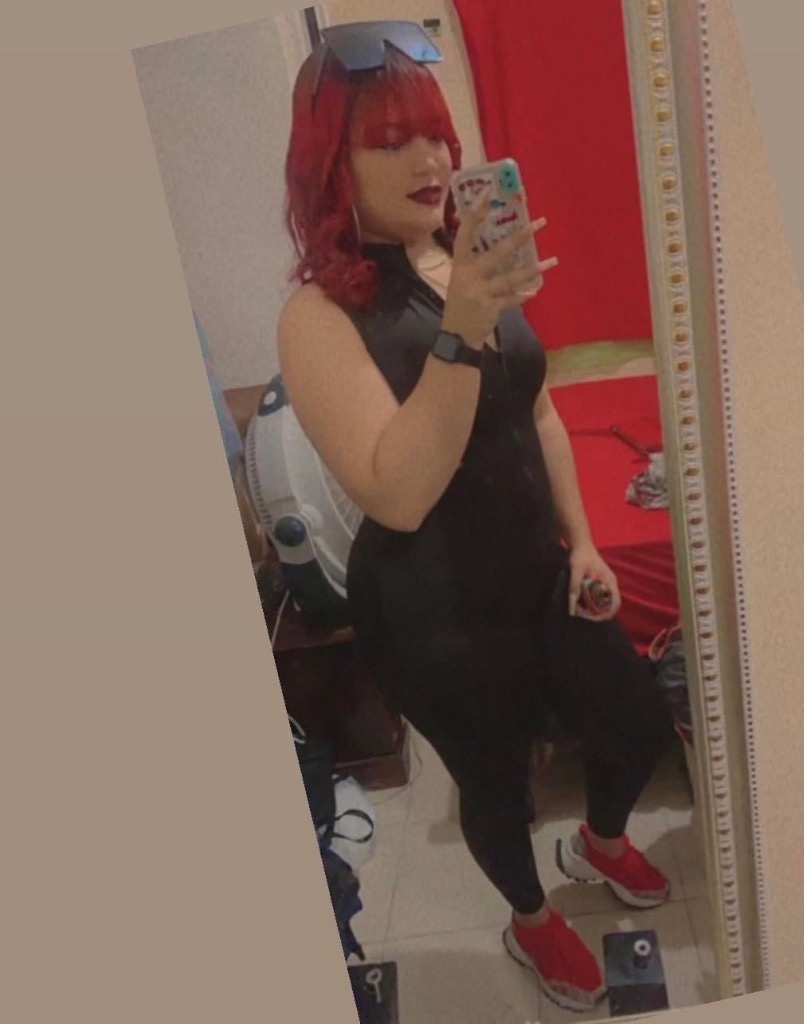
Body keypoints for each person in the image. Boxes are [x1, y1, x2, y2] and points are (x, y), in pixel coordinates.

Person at [277, 23, 676, 1012]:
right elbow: (398, 490)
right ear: (331, 163)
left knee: (633, 721)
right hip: (433, 609)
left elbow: (535, 411)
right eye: (392, 140)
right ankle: (530, 919)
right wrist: (460, 329)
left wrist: (583, 541)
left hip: (538, 569)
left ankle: (601, 841)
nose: (430, 159)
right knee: (496, 786)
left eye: (437, 134)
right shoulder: (317, 319)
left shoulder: (466, 258)